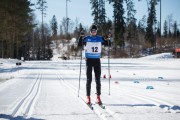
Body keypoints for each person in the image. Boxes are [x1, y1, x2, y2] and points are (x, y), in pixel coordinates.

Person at [78, 24, 111, 105]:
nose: (94, 32)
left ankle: (98, 97)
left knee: (98, 80)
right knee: (89, 80)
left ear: (96, 31)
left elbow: (108, 44)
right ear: (90, 31)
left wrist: (109, 38)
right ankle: (88, 97)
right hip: (89, 60)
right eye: (92, 31)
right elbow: (79, 45)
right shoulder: (87, 38)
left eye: (95, 31)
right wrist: (80, 37)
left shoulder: (100, 38)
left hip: (97, 61)